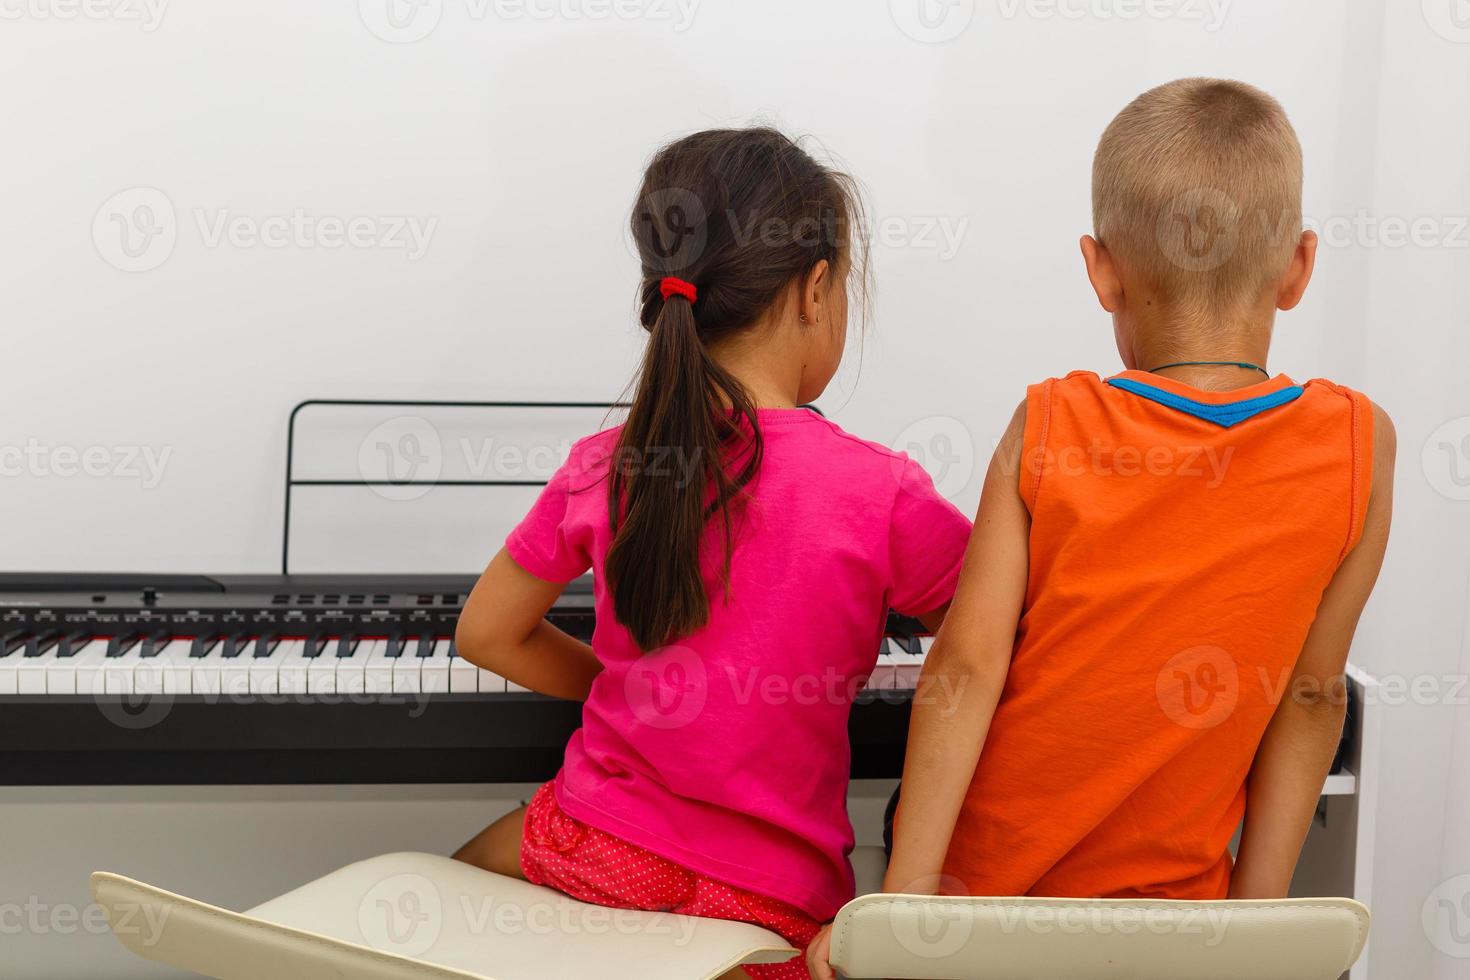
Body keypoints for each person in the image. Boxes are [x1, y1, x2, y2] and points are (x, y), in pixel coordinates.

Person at [809, 77, 1394, 978]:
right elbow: (1309, 700)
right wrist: (1254, 930)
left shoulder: (1052, 420)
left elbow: (966, 666)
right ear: (1299, 267)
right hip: (1175, 930)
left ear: (1101, 268)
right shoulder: (1360, 444)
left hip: (983, 910)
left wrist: (899, 915)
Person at [453, 126, 973, 979]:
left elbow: (485, 635)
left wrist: (634, 691)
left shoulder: (607, 463)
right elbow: (988, 649)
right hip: (771, 908)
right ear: (813, 292)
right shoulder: (879, 491)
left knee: (456, 874)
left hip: (595, 851)